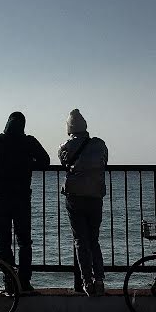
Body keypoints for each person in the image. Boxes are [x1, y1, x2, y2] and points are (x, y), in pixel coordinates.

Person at [0, 111, 49, 293]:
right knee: (24, 242)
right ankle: (24, 283)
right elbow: (46, 161)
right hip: (21, 199)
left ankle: (9, 283)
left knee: (4, 244)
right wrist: (27, 165)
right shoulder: (29, 142)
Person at [59, 109, 108, 297]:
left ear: (69, 129)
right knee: (93, 240)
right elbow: (105, 163)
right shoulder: (100, 144)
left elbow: (64, 162)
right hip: (96, 196)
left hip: (75, 196)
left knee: (80, 240)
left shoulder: (65, 147)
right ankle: (100, 280)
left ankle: (86, 281)